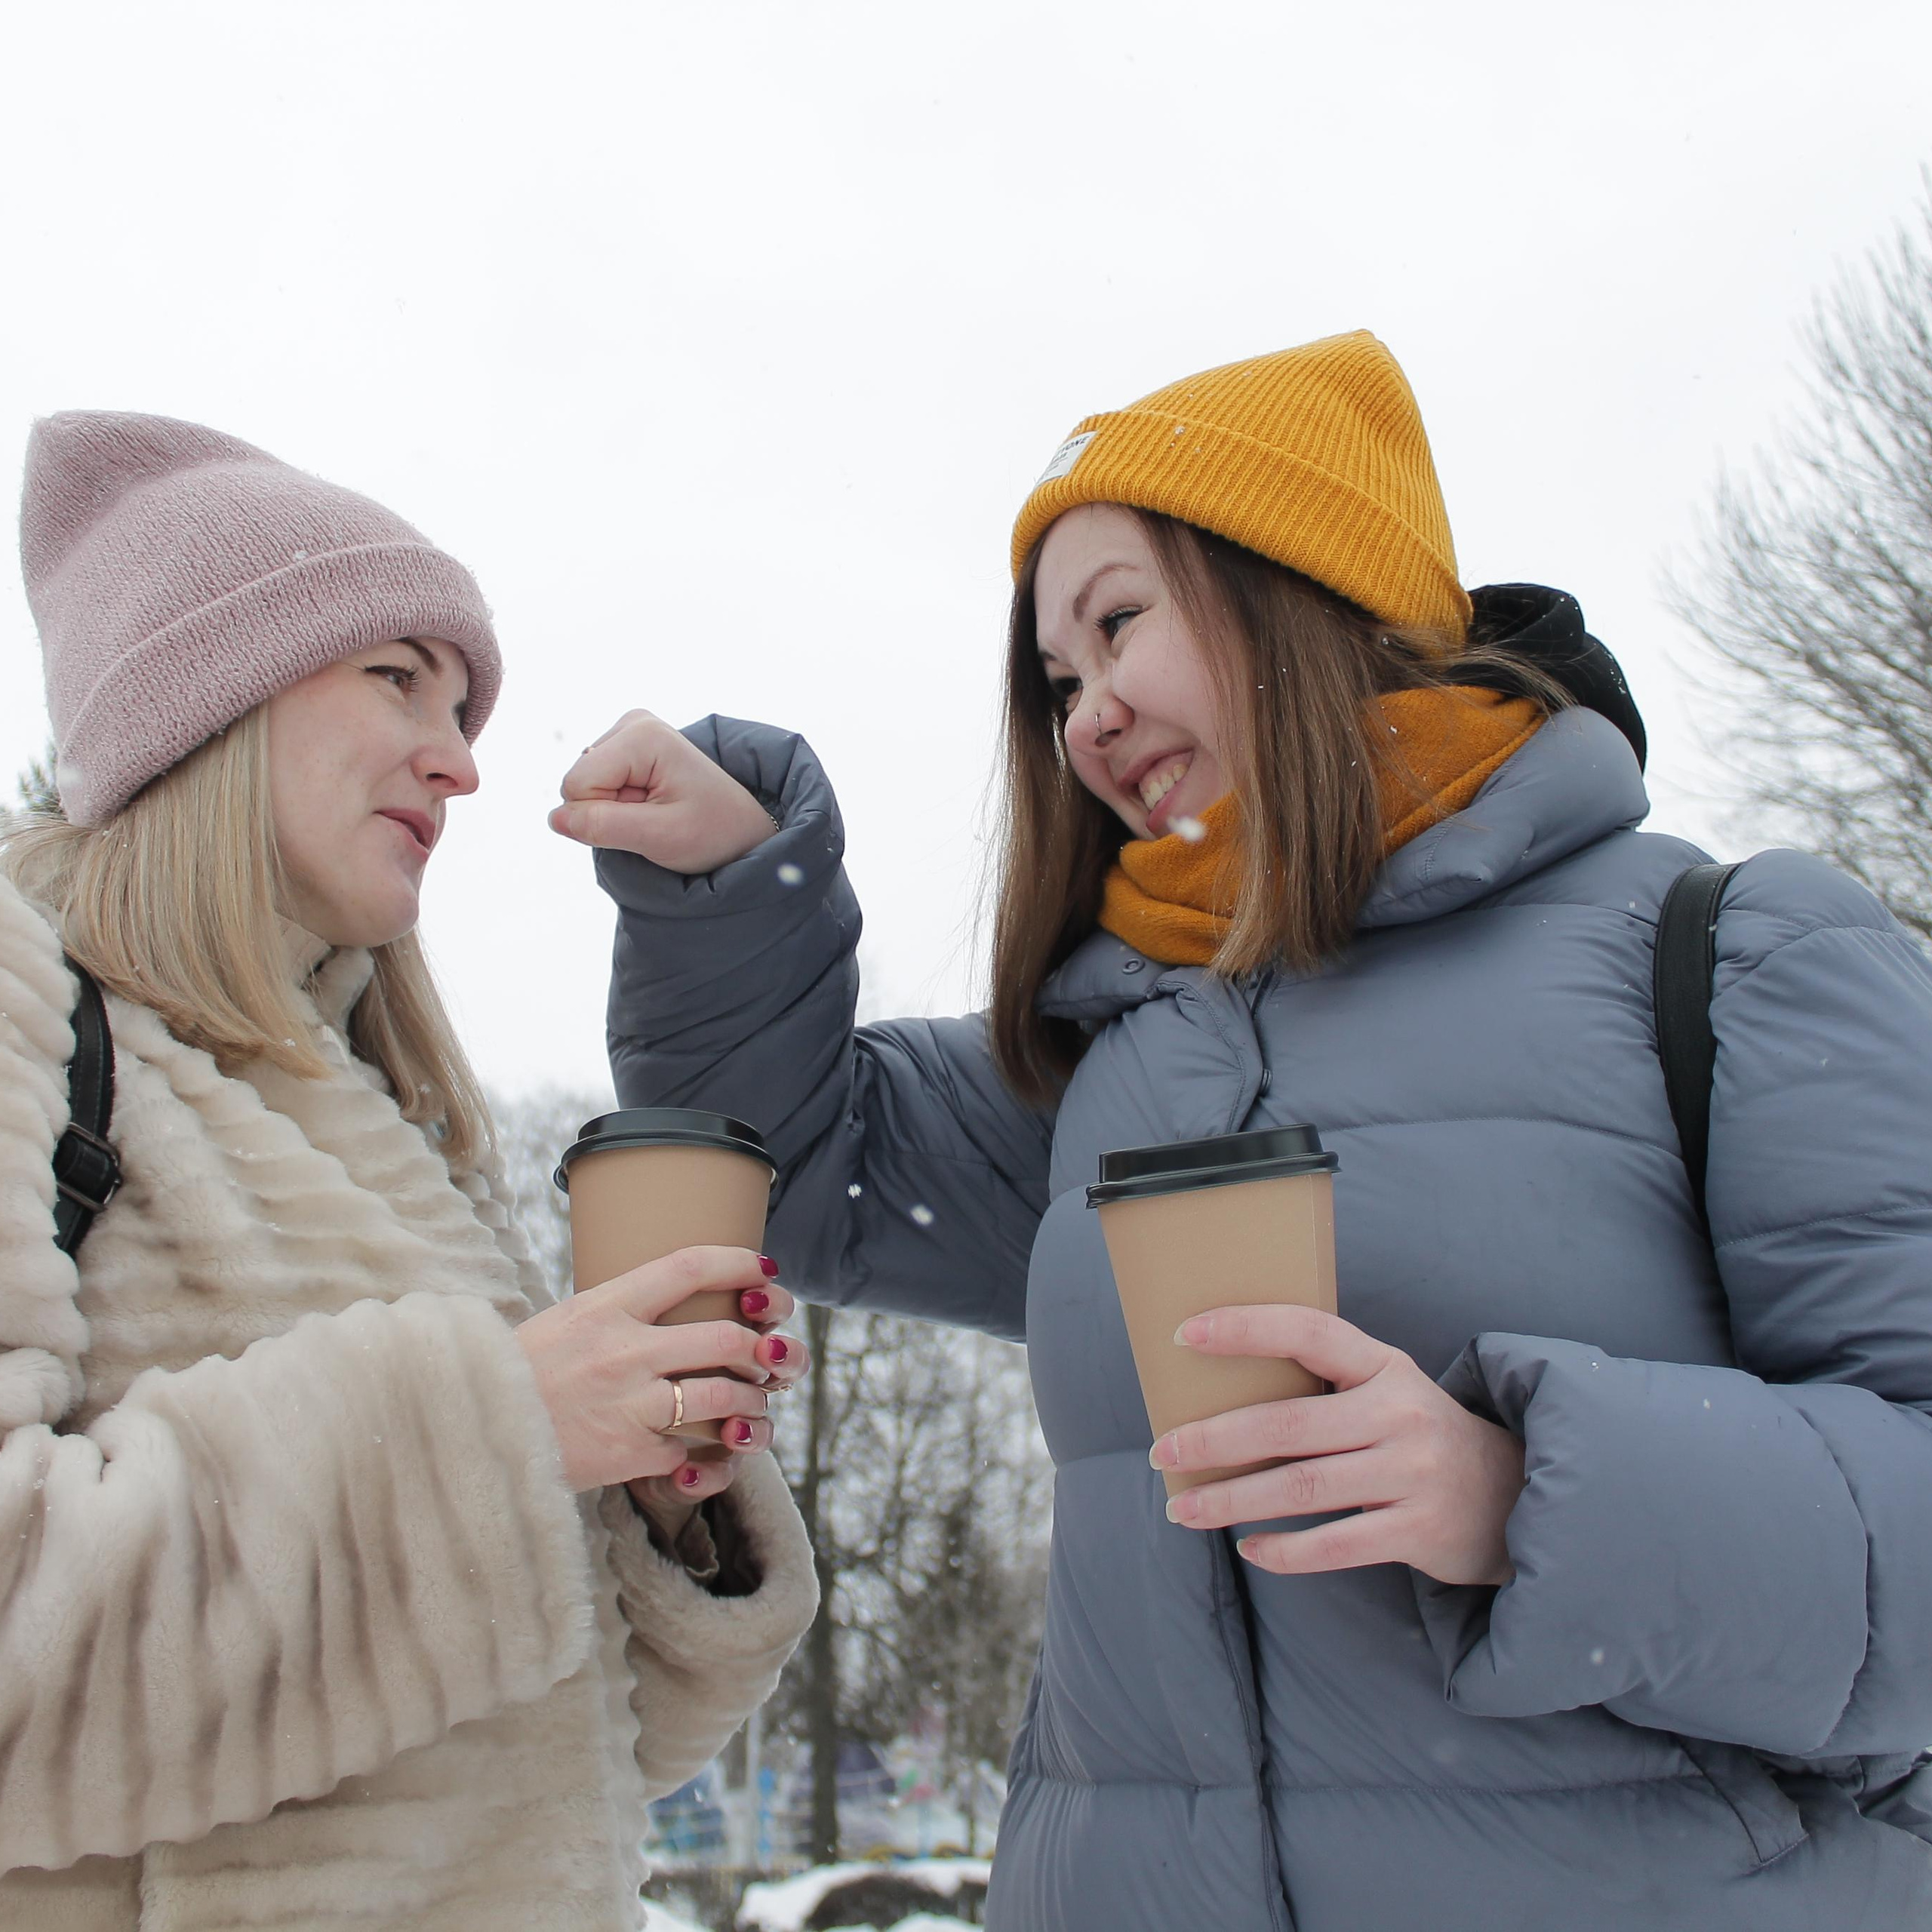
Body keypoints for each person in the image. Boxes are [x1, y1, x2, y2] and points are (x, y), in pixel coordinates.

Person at [557, 331, 1932, 1929]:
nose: (1079, 719)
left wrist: (1517, 1491)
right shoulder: (1120, 1064)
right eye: (1052, 681)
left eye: (1118, 621)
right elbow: (796, 1161)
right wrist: (730, 891)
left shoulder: (1730, 956)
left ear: (1302, 583)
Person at [0, 412, 817, 1931]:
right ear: (209, 700)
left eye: (464, 705)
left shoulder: (392, 1128)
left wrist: (646, 1502)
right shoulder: (27, 1013)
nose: (458, 760)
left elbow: (554, 1767)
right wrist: (499, 1427)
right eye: (397, 679)